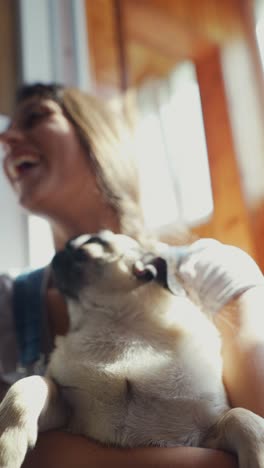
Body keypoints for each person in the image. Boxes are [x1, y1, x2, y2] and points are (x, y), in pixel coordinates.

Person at [0, 82, 264, 468]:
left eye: (37, 116)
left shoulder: (209, 270)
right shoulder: (7, 304)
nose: (6, 136)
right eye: (9, 128)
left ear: (93, 132)